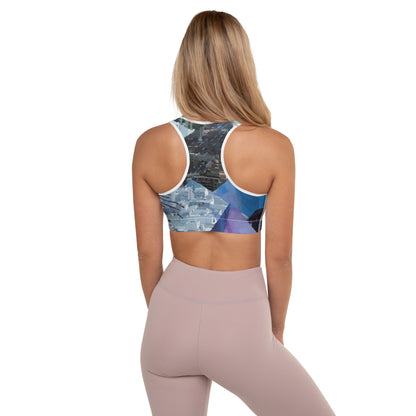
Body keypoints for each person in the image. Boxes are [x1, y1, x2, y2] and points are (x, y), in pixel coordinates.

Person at [132, 10, 336, 416]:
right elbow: (279, 258)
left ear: (185, 65)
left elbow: (147, 255)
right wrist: (274, 331)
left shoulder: (149, 144)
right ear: (242, 64)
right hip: (241, 321)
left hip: (167, 319)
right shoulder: (274, 147)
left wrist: (169, 317)